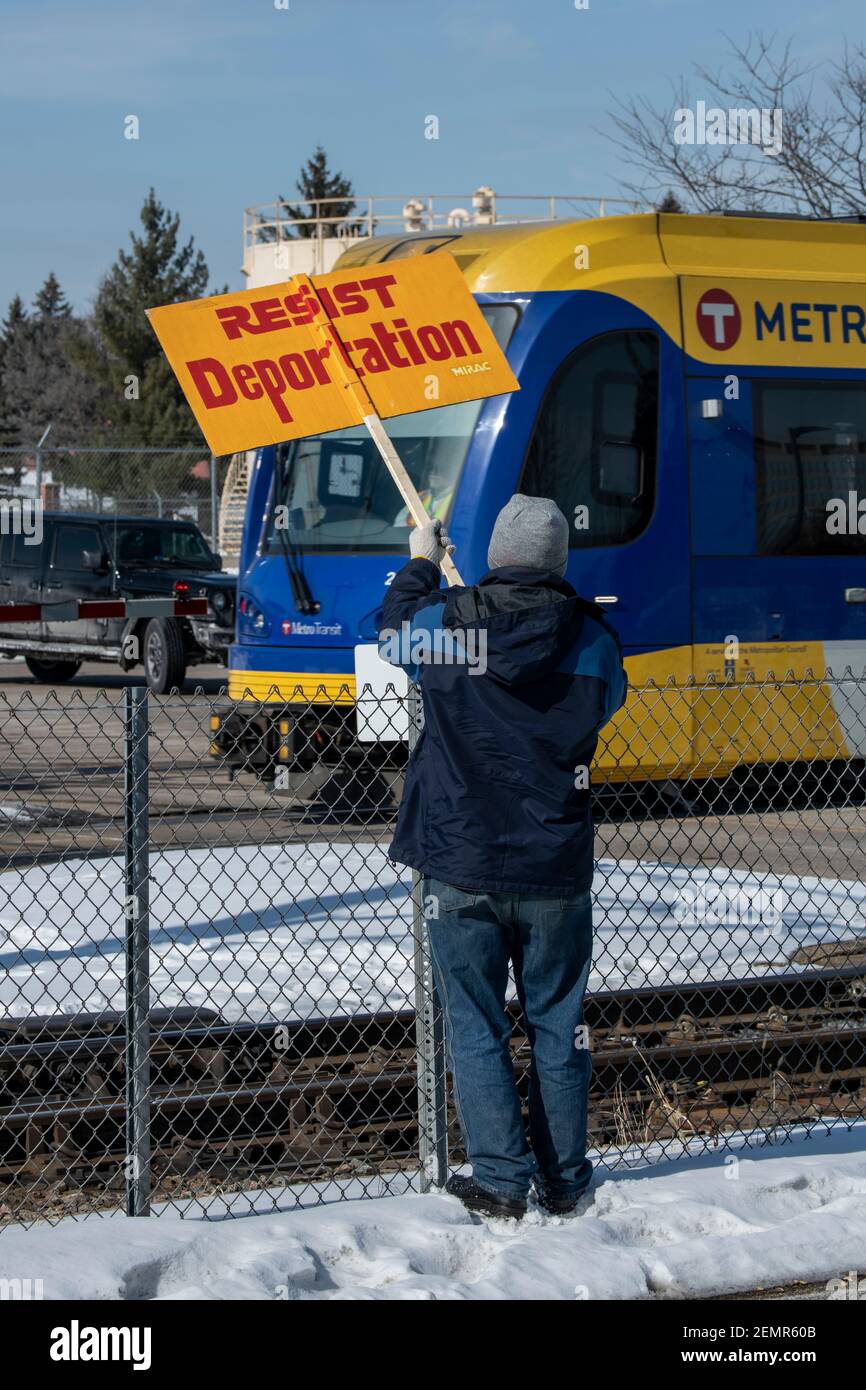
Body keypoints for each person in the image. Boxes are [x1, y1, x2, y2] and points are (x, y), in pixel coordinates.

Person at [378, 495, 627, 1221]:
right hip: (555, 866)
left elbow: (390, 638)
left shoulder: (451, 626)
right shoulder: (594, 639)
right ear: (558, 561)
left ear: (494, 554)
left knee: (476, 1021)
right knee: (558, 1022)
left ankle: (498, 1181)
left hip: (462, 860)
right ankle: (566, 1180)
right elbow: (606, 702)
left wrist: (422, 564)